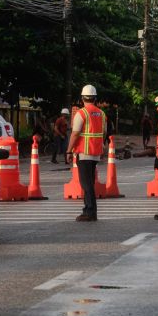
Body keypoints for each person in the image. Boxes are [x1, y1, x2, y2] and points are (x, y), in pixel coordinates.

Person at [66, 85, 106, 221]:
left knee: (86, 184)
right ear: (95, 98)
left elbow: (75, 133)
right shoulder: (101, 113)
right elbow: (104, 132)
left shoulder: (81, 113)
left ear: (82, 98)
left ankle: (89, 211)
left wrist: (69, 150)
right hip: (95, 153)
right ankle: (91, 210)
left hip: (84, 152)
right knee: (90, 183)